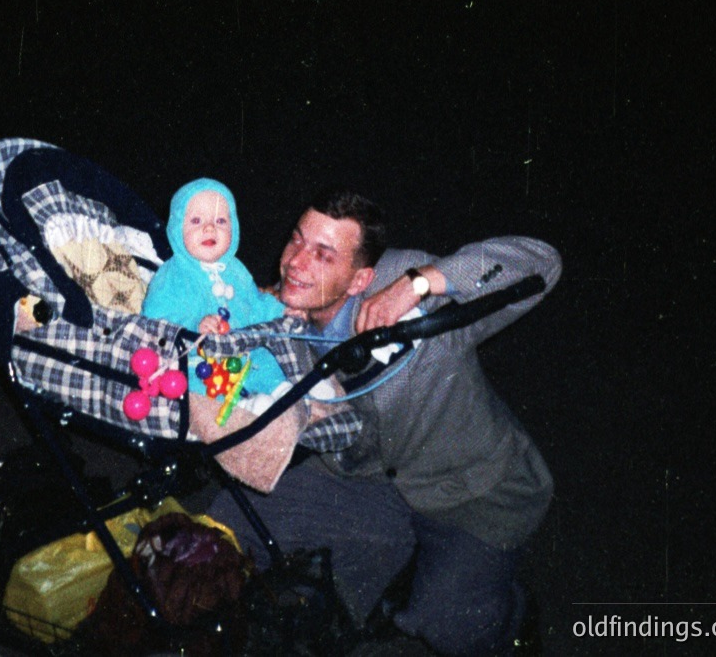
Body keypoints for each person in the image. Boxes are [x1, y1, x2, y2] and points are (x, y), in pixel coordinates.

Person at [208, 190, 561, 656]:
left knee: (446, 623)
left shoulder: (402, 282)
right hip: (363, 477)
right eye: (297, 240)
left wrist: (420, 283)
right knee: (224, 525)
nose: (295, 262)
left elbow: (543, 264)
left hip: (474, 492)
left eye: (322, 254)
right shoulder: (276, 307)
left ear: (361, 280)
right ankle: (361, 595)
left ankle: (510, 617)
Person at [142, 177, 289, 400]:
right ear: (177, 228)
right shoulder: (171, 276)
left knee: (268, 359)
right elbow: (156, 319)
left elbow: (254, 302)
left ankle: (286, 392)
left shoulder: (236, 270)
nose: (209, 228)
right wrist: (193, 326)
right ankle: (246, 411)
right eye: (196, 221)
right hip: (199, 360)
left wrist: (280, 311)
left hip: (243, 355)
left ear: (235, 227)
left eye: (220, 221)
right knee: (196, 383)